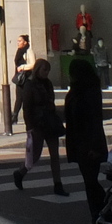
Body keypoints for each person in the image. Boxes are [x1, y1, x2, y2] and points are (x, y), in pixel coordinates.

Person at [63, 58, 108, 223]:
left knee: (91, 182)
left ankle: (102, 214)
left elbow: (94, 120)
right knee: (89, 182)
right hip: (79, 142)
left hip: (89, 143)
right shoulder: (77, 91)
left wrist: (94, 146)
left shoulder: (90, 92)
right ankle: (97, 216)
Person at [14, 59, 68, 194]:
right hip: (37, 123)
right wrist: (29, 126)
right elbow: (27, 107)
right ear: (37, 69)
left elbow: (51, 101)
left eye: (48, 70)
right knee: (35, 154)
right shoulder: (30, 85)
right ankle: (21, 173)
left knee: (55, 155)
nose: (46, 73)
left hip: (50, 122)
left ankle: (58, 184)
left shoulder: (48, 84)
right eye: (44, 70)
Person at [10, 35, 32, 126]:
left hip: (26, 77)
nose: (18, 42)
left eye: (20, 41)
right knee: (19, 97)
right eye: (17, 41)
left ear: (25, 42)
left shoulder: (28, 51)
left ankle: (18, 116)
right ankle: (14, 116)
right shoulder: (19, 51)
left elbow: (33, 64)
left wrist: (23, 67)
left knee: (25, 98)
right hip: (20, 78)